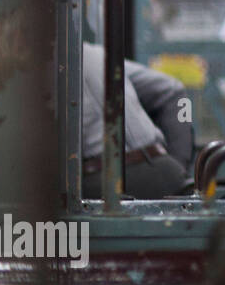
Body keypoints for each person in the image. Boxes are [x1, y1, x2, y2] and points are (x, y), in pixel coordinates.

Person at [81, 42, 192, 199]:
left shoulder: (42, 67)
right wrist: (180, 164)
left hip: (100, 184)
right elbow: (177, 94)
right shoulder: (100, 56)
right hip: (167, 173)